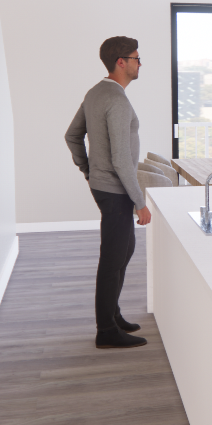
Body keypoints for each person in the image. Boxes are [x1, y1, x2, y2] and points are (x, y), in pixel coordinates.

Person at [63, 36, 150, 349]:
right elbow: (120, 159)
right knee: (113, 259)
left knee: (123, 251)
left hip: (106, 187)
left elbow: (72, 136)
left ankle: (114, 315)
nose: (141, 64)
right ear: (121, 62)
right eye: (137, 58)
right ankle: (106, 331)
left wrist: (87, 169)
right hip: (116, 191)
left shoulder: (95, 93)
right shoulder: (115, 100)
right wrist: (140, 202)